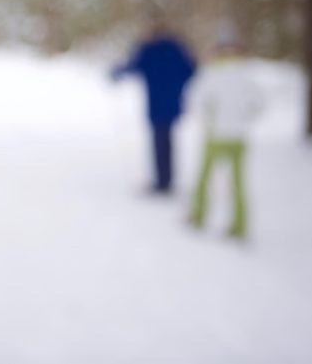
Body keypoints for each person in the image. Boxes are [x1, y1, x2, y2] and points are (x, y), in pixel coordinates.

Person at [187, 30, 262, 239]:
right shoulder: (246, 74)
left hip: (216, 136)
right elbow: (258, 103)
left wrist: (209, 122)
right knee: (238, 182)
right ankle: (239, 225)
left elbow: (195, 100)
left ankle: (199, 215)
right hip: (238, 137)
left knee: (204, 177)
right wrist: (244, 117)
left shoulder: (211, 73)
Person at [112, 19, 196, 195]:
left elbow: (132, 66)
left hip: (156, 104)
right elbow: (192, 70)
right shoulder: (177, 49)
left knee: (159, 141)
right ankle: (167, 179)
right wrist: (178, 85)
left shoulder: (149, 49)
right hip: (173, 103)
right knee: (168, 140)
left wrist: (116, 73)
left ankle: (162, 181)